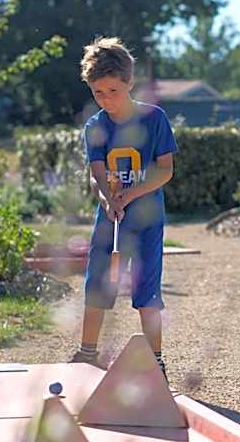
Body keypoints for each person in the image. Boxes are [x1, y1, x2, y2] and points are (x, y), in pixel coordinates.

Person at [69, 37, 178, 380]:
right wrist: (104, 198)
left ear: (130, 83)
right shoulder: (95, 126)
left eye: (112, 91)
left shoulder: (154, 119)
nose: (106, 99)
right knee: (98, 286)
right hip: (110, 221)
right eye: (97, 92)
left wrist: (130, 195)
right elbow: (97, 173)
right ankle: (88, 354)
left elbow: (165, 169)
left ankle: (156, 362)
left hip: (147, 220)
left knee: (147, 291)